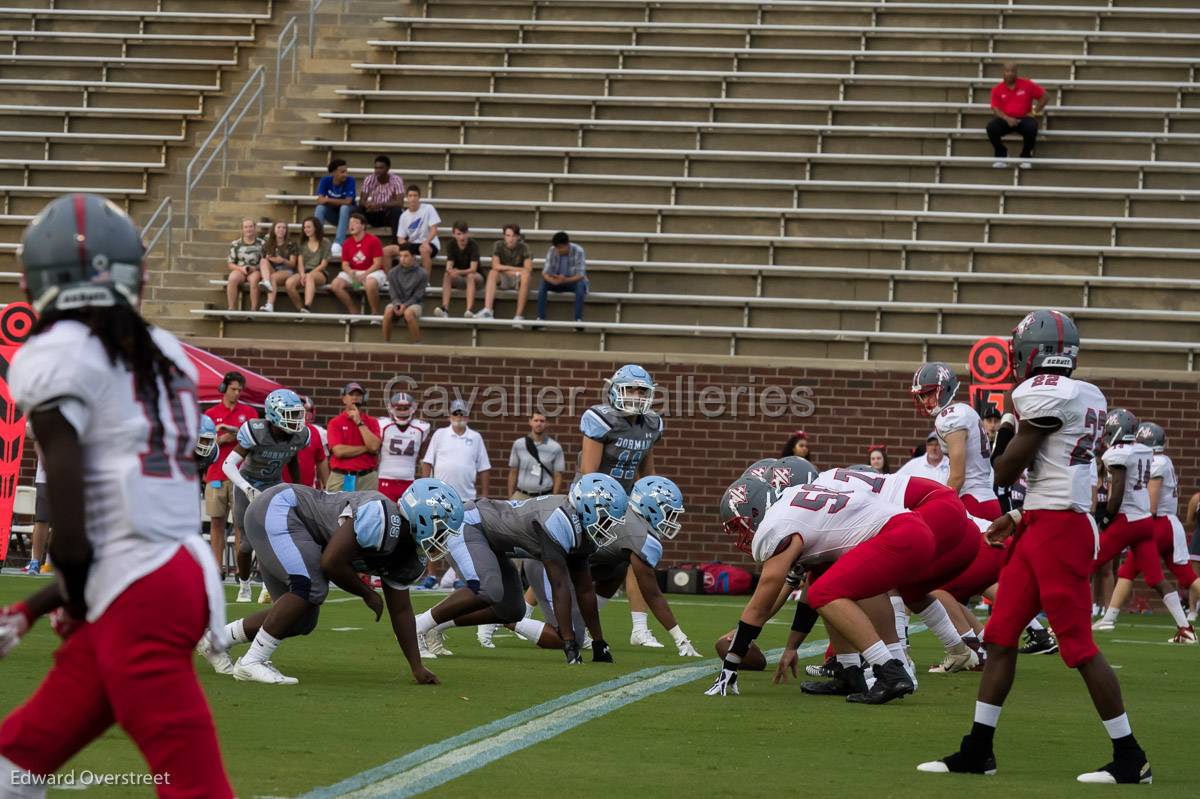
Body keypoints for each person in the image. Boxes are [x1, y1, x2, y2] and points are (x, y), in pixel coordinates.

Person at [0, 193, 234, 796]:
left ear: (40, 279)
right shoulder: (163, 352)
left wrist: (74, 604)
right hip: (167, 572)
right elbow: (122, 523)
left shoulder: (55, 355)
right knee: (16, 759)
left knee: (192, 785)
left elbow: (75, 532)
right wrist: (32, 608)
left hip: (138, 594)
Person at [918, 309, 1152, 785]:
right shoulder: (1088, 393)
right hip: (1044, 521)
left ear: (1030, 352)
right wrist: (1021, 515)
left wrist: (1006, 416)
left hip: (1059, 531)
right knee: (1000, 636)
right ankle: (978, 749)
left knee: (1078, 646)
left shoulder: (1038, 393)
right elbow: (1066, 474)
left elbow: (1005, 470)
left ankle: (1131, 757)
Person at [197, 480, 460, 685]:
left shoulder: (407, 555)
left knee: (300, 619)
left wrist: (417, 667)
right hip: (280, 508)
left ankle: (216, 642)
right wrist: (367, 593)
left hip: (292, 526)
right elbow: (331, 562)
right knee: (310, 587)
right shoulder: (382, 517)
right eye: (443, 527)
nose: (444, 538)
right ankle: (253, 662)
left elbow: (401, 611)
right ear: (423, 517)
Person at [707, 477, 932, 703]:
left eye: (741, 524)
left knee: (824, 593)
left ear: (757, 509)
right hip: (914, 528)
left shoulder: (778, 524)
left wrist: (730, 665)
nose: (743, 534)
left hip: (898, 534)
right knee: (823, 583)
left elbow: (763, 597)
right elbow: (792, 592)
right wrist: (790, 646)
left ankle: (889, 671)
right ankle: (849, 673)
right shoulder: (797, 502)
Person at [414, 473, 623, 664]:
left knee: (512, 610)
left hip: (493, 540)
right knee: (488, 588)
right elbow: (559, 585)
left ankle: (436, 626)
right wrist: (569, 645)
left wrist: (599, 641)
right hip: (470, 524)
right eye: (606, 519)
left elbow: (585, 589)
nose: (609, 526)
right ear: (587, 509)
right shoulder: (559, 521)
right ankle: (417, 626)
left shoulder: (583, 532)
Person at [524, 476, 700, 657]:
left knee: (618, 567)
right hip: (545, 562)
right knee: (568, 637)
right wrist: (680, 638)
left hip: (573, 563)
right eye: (670, 512)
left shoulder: (628, 517)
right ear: (653, 507)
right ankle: (508, 619)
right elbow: (652, 594)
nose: (673, 519)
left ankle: (579, 624)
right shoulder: (641, 535)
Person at [578, 364, 665, 647]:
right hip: (591, 499)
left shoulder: (651, 424)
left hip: (625, 500)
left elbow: (647, 473)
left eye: (642, 390)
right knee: (568, 561)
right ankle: (520, 615)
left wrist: (651, 503)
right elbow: (589, 473)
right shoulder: (600, 419)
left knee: (637, 557)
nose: (637, 395)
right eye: (631, 389)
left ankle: (639, 629)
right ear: (616, 390)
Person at [1090, 411, 1194, 642]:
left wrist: (1106, 521)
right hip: (1146, 521)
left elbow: (1116, 495)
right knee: (1156, 578)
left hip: (1126, 520)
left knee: (1087, 564)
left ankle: (1062, 622)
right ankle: (1185, 628)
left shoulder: (1115, 454)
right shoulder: (1144, 450)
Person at [220, 389, 309, 603]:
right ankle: (243, 584)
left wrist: (297, 488)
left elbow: (294, 461)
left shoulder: (300, 435)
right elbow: (228, 464)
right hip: (247, 485)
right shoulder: (256, 430)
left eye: (298, 414)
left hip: (274, 485)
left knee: (276, 536)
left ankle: (269, 586)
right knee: (247, 544)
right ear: (274, 413)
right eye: (291, 414)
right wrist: (246, 488)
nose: (297, 420)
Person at [912, 362, 1000, 520]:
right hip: (984, 498)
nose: (925, 401)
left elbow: (958, 475)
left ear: (945, 389)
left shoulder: (950, 417)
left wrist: (941, 506)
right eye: (922, 395)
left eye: (930, 393)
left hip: (972, 502)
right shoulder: (964, 410)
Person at [203, 371, 258, 578]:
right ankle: (216, 568)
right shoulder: (210, 413)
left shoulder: (249, 412)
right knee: (216, 522)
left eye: (239, 390)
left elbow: (253, 434)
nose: (236, 393)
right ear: (224, 388)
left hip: (240, 476)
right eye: (233, 389)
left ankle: (239, 569)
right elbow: (204, 444)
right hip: (216, 474)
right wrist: (220, 440)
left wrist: (232, 432)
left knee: (239, 524)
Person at [422, 399, 491, 502]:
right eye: (456, 413)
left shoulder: (476, 437)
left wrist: (485, 496)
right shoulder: (439, 434)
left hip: (467, 498)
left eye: (462, 414)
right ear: (450, 416)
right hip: (440, 496)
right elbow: (427, 462)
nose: (459, 417)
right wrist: (425, 489)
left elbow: (484, 468)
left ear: (468, 417)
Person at [987, 62, 1047, 168]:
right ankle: (1002, 155)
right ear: (1003, 73)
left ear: (1016, 72)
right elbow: (995, 109)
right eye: (1007, 71)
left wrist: (1034, 112)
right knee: (991, 127)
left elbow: (1045, 96)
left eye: (1013, 71)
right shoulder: (997, 89)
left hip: (1023, 118)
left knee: (1032, 126)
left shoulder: (1027, 84)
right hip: (1006, 119)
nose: (1010, 73)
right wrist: (1007, 118)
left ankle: (1025, 157)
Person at [326, 382, 382, 492]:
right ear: (344, 399)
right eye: (351, 394)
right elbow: (339, 451)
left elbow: (374, 447)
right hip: (342, 477)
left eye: (358, 395)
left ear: (363, 398)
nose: (355, 398)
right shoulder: (335, 422)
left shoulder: (372, 422)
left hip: (367, 477)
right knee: (338, 508)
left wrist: (359, 422)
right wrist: (367, 448)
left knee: (367, 508)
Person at [377, 392, 431, 503]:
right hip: (385, 480)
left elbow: (424, 458)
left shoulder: (421, 428)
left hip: (409, 482)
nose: (402, 411)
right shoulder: (383, 425)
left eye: (405, 408)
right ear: (391, 408)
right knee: (386, 515)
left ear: (413, 408)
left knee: (409, 517)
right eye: (399, 408)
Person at [329, 213, 387, 315]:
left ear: (363, 226)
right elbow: (345, 264)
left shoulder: (374, 240)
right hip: (355, 272)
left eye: (355, 223)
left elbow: (378, 263)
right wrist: (351, 272)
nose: (351, 225)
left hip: (373, 271)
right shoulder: (346, 243)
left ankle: (374, 314)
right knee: (335, 285)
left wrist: (364, 275)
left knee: (369, 284)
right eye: (350, 223)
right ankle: (354, 312)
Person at [476, 223, 532, 324]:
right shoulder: (498, 245)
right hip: (505, 277)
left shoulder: (524, 247)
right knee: (493, 272)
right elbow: (495, 266)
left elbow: (528, 269)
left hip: (518, 279)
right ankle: (488, 310)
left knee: (526, 276)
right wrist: (515, 269)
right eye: (508, 235)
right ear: (504, 236)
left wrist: (506, 269)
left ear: (518, 237)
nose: (511, 239)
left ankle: (518, 316)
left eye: (514, 236)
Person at [508, 412, 565, 500]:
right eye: (536, 420)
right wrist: (511, 496)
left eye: (542, 421)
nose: (539, 424)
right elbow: (513, 472)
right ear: (530, 422)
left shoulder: (555, 447)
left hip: (544, 496)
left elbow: (558, 475)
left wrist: (553, 498)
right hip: (521, 495)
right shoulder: (519, 444)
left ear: (547, 424)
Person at [536, 231, 588, 324]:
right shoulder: (552, 250)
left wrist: (565, 280)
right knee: (543, 283)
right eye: (556, 248)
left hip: (572, 282)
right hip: (556, 281)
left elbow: (580, 275)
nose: (558, 250)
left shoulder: (579, 250)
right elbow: (545, 273)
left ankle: (578, 320)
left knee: (580, 285)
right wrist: (553, 281)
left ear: (567, 244)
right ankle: (540, 318)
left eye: (560, 247)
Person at [434, 220, 482, 318]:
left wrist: (458, 271)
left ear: (468, 233)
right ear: (454, 234)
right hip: (460, 277)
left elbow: (473, 269)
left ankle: (468, 310)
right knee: (447, 275)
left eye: (464, 233)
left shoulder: (473, 245)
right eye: (459, 234)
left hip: (476, 277)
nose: (462, 237)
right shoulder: (451, 245)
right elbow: (449, 264)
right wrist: (450, 271)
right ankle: (445, 309)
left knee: (470, 276)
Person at [285, 217, 332, 314]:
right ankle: (300, 309)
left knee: (310, 276)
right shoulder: (302, 243)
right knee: (289, 283)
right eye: (305, 227)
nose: (306, 229)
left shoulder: (325, 242)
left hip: (319, 272)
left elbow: (323, 264)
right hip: (304, 272)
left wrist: (308, 275)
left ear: (316, 227)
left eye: (309, 227)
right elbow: (300, 263)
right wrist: (302, 275)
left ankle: (307, 306)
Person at [392, 185, 440, 277]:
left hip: (430, 243)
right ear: (407, 197)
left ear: (419, 197)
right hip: (413, 244)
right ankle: (389, 281)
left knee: (424, 249)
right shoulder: (404, 216)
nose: (413, 198)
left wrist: (426, 242)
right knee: (387, 251)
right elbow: (400, 238)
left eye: (415, 195)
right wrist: (407, 248)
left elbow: (434, 229)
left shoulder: (429, 208)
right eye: (410, 196)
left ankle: (426, 281)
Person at [381, 249, 427, 343]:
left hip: (415, 303)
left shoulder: (422, 274)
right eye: (400, 256)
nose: (402, 259)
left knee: (408, 313)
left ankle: (417, 343)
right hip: (398, 302)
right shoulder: (392, 273)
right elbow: (393, 294)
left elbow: (418, 295)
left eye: (406, 256)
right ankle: (386, 343)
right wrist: (398, 304)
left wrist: (405, 306)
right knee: (388, 310)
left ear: (413, 257)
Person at [314, 157, 357, 254]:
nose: (345, 174)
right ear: (333, 173)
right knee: (320, 208)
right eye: (342, 172)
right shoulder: (325, 180)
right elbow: (320, 200)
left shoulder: (350, 180)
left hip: (349, 216)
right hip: (334, 215)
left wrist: (328, 199)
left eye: (346, 171)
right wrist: (327, 200)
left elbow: (348, 201)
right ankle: (317, 240)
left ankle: (338, 243)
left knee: (344, 208)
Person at [358, 154, 405, 241]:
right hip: (373, 214)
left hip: (388, 215)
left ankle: (396, 243)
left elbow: (400, 202)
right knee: (358, 209)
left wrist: (380, 205)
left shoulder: (396, 180)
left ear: (388, 168)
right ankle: (358, 241)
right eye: (376, 168)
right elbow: (361, 201)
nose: (377, 171)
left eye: (381, 168)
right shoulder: (369, 179)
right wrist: (368, 205)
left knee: (397, 211)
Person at [225, 216, 265, 311]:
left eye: (251, 226)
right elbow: (230, 263)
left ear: (255, 228)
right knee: (232, 278)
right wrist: (241, 269)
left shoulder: (262, 243)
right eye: (246, 227)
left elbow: (266, 262)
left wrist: (255, 269)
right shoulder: (236, 244)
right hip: (240, 269)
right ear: (242, 229)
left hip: (255, 269)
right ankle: (231, 308)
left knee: (254, 279)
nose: (248, 229)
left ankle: (253, 309)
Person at [258, 220, 297, 313]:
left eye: (284, 228)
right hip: (273, 269)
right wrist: (269, 258)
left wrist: (282, 260)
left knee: (273, 277)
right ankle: (266, 281)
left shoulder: (291, 244)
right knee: (263, 260)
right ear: (274, 230)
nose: (281, 229)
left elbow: (293, 264)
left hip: (286, 271)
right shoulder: (268, 244)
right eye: (279, 227)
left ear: (286, 231)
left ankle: (270, 305)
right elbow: (264, 262)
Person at [295, 394, 330, 491]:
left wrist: (325, 486)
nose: (304, 413)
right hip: (279, 487)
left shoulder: (316, 431)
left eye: (307, 410)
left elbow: (322, 459)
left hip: (307, 488)